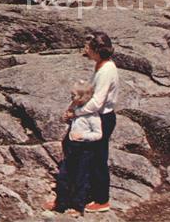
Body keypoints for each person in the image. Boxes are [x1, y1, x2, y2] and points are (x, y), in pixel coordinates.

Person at [66, 32, 118, 214]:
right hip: (97, 115)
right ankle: (88, 192)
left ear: (97, 50)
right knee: (93, 156)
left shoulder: (106, 71)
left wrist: (77, 113)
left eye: (88, 47)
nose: (85, 49)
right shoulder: (102, 65)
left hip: (102, 118)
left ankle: (102, 199)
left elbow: (97, 101)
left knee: (97, 159)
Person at [44, 82, 102, 216]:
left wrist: (82, 136)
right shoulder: (75, 109)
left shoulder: (92, 116)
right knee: (64, 175)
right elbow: (72, 123)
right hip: (71, 148)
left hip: (84, 150)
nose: (71, 96)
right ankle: (60, 203)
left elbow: (98, 134)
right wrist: (67, 119)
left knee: (81, 177)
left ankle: (77, 206)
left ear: (82, 97)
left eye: (73, 95)